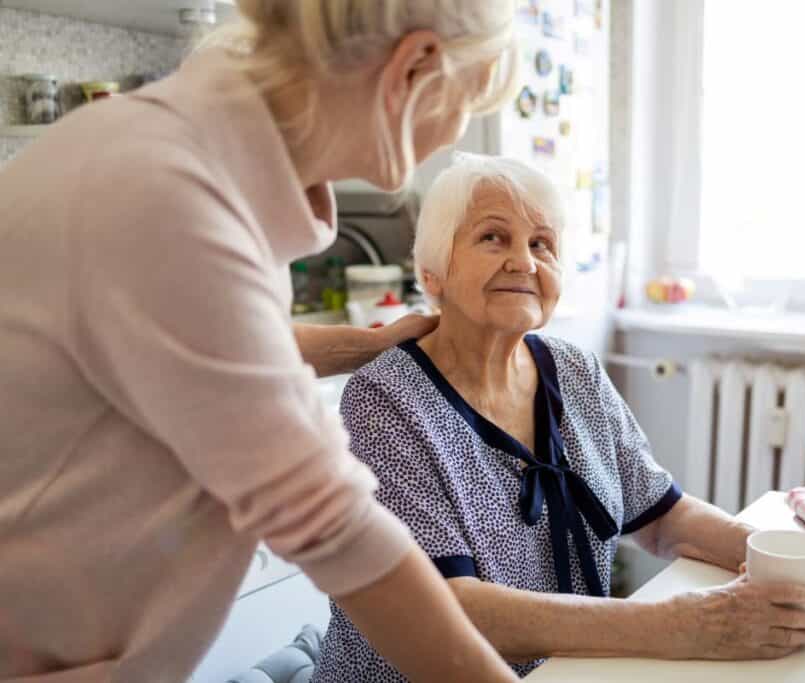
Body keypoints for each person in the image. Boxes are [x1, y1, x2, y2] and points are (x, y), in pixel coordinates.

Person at [0, 2, 524, 682]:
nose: (455, 131)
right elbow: (333, 525)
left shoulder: (209, 162)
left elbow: (234, 343)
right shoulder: (168, 195)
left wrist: (373, 342)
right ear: (415, 69)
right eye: (467, 102)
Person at [312, 154, 805, 682]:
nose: (524, 262)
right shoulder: (385, 401)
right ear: (433, 272)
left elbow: (661, 514)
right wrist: (676, 624)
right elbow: (447, 609)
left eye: (541, 244)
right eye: (493, 238)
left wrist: (766, 556)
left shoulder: (572, 369)